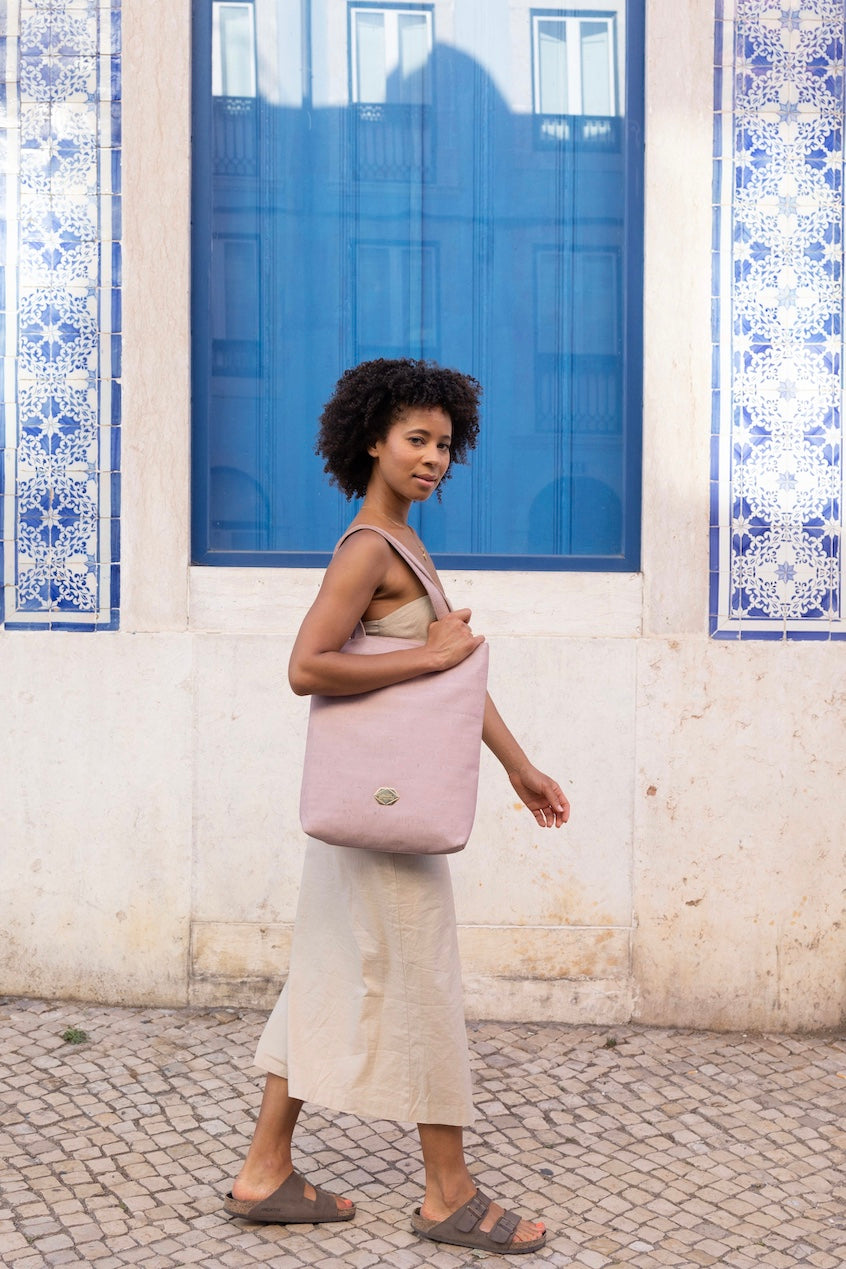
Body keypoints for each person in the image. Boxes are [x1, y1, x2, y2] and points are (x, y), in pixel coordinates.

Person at [225, 358, 570, 1254]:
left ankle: (265, 1167)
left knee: (330, 973)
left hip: (378, 812)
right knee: (421, 982)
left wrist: (519, 765)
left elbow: (450, 671)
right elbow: (308, 665)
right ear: (371, 440)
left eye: (445, 445)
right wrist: (427, 656)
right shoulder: (368, 546)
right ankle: (448, 1193)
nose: (433, 458)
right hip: (385, 816)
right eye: (416, 439)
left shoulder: (405, 545)